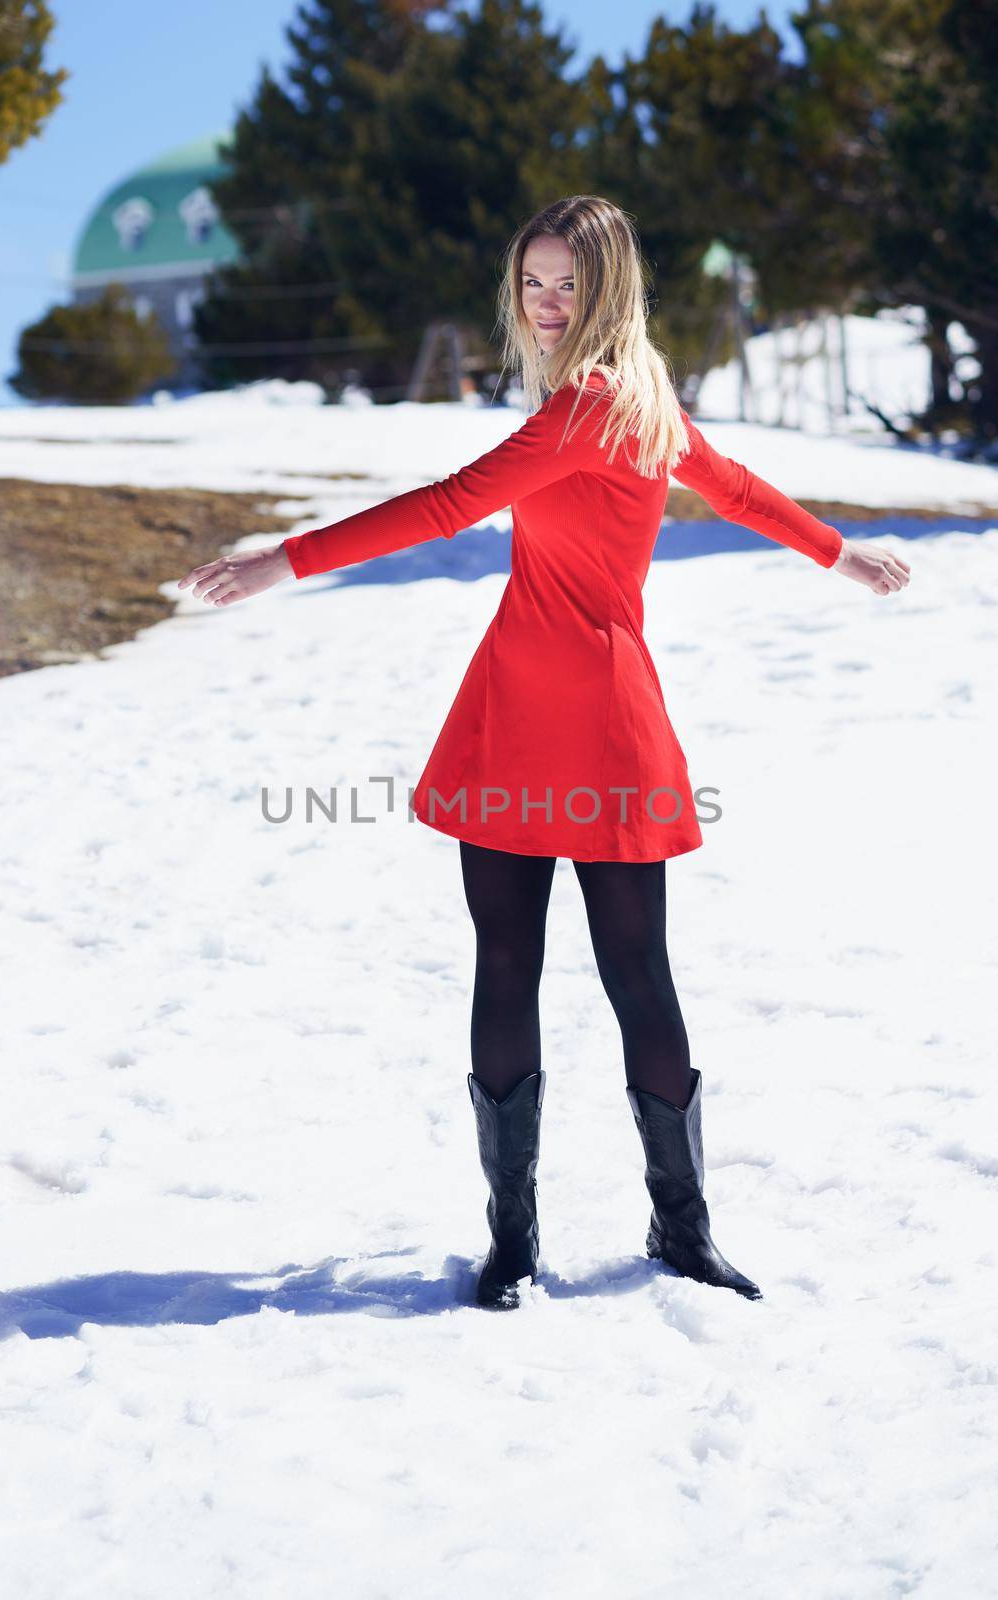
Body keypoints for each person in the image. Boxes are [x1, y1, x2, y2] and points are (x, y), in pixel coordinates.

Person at [178, 195, 911, 1313]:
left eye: (567, 282)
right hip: (560, 709)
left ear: (609, 285)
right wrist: (837, 555)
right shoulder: (646, 400)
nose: (548, 303)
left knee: (561, 972)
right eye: (532, 283)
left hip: (544, 715)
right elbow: (734, 489)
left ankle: (537, 1244)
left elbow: (452, 505)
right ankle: (643, 1234)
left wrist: (287, 560)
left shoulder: (594, 401)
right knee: (597, 974)